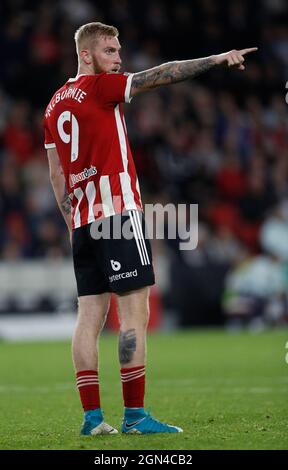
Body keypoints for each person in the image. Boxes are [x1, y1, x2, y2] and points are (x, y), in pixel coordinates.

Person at [43, 21, 257, 435]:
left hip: (83, 222)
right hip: (118, 215)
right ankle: (135, 415)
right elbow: (161, 73)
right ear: (85, 55)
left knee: (88, 317)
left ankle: (92, 419)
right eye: (109, 51)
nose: (118, 59)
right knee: (134, 315)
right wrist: (214, 59)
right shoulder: (99, 88)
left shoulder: (53, 105)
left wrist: (72, 221)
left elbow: (56, 174)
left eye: (119, 50)